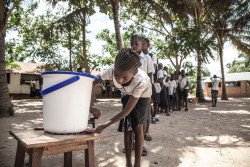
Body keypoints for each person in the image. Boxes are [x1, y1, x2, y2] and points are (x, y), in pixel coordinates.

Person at [94, 48, 152, 167]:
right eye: (117, 75)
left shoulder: (141, 81)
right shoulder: (111, 71)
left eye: (125, 78)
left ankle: (137, 164)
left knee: (137, 126)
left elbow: (126, 111)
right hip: (126, 93)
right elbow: (90, 82)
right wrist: (90, 106)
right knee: (127, 127)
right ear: (114, 68)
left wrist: (105, 124)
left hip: (142, 96)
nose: (119, 80)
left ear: (134, 73)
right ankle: (128, 163)